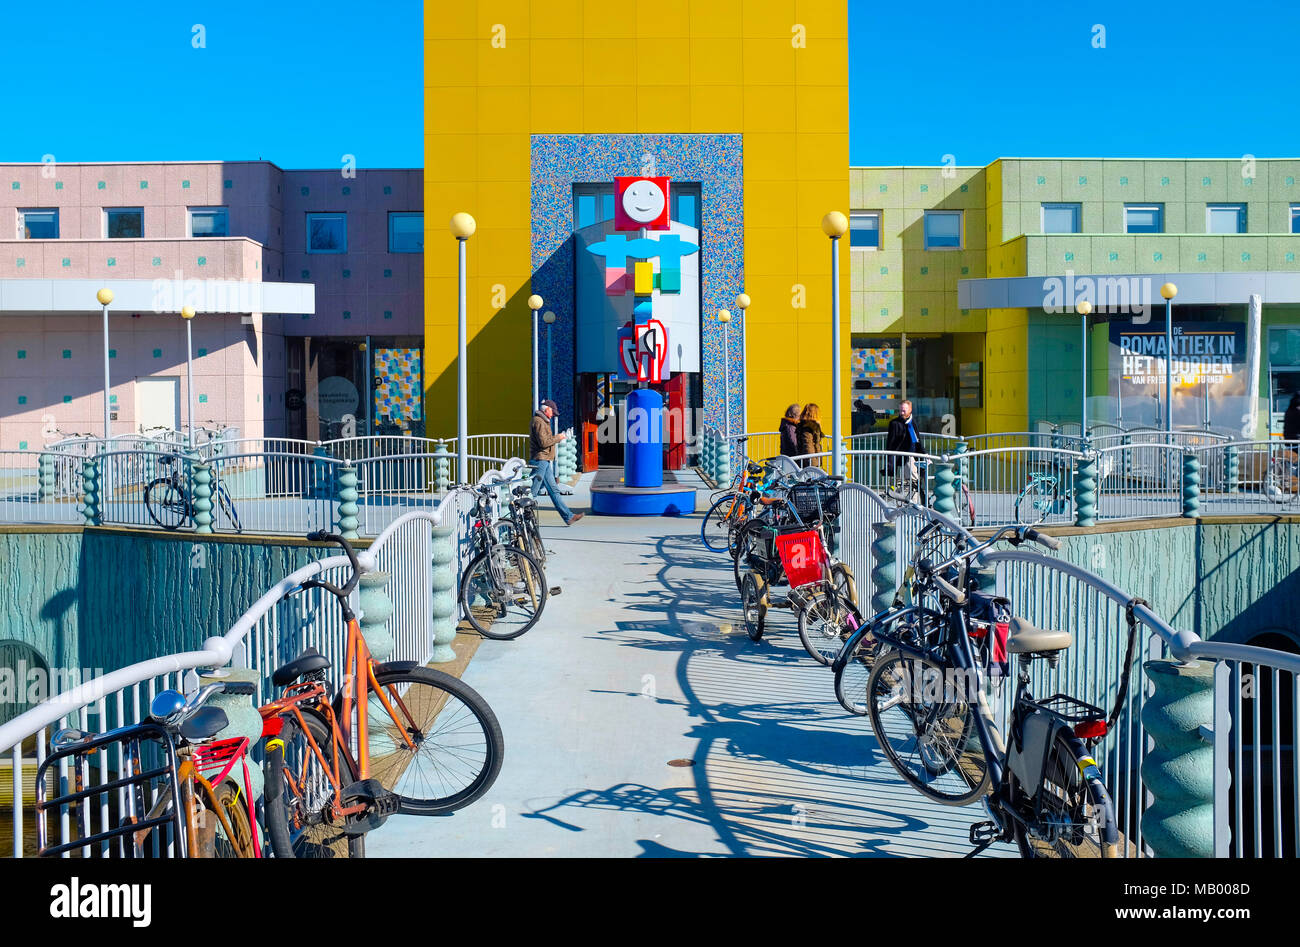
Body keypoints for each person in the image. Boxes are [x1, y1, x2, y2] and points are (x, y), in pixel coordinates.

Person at [530, 399, 583, 526]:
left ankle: (568, 517)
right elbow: (544, 443)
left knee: (554, 490)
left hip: (545, 459)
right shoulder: (539, 422)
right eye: (552, 411)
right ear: (546, 409)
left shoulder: (542, 421)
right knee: (533, 491)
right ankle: (521, 516)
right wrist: (558, 438)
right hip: (541, 459)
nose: (553, 414)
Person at [885, 399, 925, 487]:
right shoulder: (894, 423)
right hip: (902, 455)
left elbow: (918, 440)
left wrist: (924, 454)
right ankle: (909, 499)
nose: (902, 413)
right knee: (911, 480)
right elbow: (890, 442)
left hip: (912, 455)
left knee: (912, 481)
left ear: (910, 410)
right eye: (900, 410)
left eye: (904, 410)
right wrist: (889, 459)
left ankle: (912, 499)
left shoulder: (912, 422)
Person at [796, 403, 824, 468]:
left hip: (808, 460)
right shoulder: (808, 428)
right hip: (809, 463)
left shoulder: (806, 426)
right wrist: (814, 465)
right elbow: (808, 447)